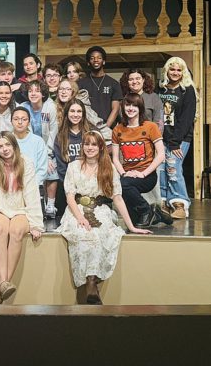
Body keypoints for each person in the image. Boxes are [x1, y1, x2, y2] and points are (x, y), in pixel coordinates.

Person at [57, 131, 151, 305]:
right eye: (87, 144)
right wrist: (80, 217)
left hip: (100, 209)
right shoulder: (73, 166)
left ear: (101, 147)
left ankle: (91, 282)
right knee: (83, 234)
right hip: (77, 209)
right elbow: (69, 196)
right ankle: (90, 283)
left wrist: (131, 226)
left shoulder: (109, 168)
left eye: (94, 144)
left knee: (100, 234)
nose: (90, 148)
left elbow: (118, 198)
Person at [0, 132, 44, 304]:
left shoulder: (26, 162)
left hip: (20, 209)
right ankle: (4, 283)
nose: (4, 149)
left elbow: (32, 194)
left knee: (16, 230)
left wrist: (36, 224)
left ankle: (1, 287)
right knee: (0, 229)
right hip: (0, 208)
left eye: (7, 145)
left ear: (14, 145)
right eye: (0, 146)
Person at [111, 94, 172, 227]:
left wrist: (143, 173)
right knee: (135, 223)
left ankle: (146, 210)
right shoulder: (118, 129)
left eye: (134, 105)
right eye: (127, 105)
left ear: (140, 108)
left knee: (122, 185)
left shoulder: (150, 127)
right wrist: (124, 174)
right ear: (123, 107)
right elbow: (115, 158)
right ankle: (156, 214)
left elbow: (161, 155)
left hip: (147, 176)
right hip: (127, 175)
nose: (130, 108)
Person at [158, 57, 198, 219]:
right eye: (172, 69)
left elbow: (187, 119)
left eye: (179, 70)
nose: (175, 73)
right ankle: (163, 202)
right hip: (161, 137)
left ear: (183, 72)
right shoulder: (160, 89)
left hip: (179, 138)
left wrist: (175, 142)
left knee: (173, 168)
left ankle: (179, 203)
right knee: (160, 168)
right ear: (166, 70)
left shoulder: (187, 90)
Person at [20, 80, 58, 217]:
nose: (33, 94)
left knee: (51, 169)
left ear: (43, 94)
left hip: (49, 148)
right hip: (29, 149)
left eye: (37, 91)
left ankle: (50, 205)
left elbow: (53, 132)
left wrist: (47, 155)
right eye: (30, 91)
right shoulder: (23, 107)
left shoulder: (51, 107)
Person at [55, 79, 112, 145]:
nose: (63, 92)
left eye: (68, 89)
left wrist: (107, 143)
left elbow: (99, 126)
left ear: (73, 92)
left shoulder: (81, 107)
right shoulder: (55, 107)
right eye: (61, 89)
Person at [81, 46, 122, 128]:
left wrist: (105, 128)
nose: (96, 60)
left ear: (103, 62)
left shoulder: (114, 83)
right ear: (88, 62)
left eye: (99, 58)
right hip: (86, 127)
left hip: (108, 127)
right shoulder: (81, 83)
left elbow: (116, 109)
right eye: (92, 58)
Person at [53, 99, 91, 180]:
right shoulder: (60, 137)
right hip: (69, 181)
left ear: (83, 114)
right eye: (72, 111)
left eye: (79, 111)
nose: (75, 115)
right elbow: (61, 168)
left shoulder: (91, 133)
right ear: (67, 113)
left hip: (90, 179)